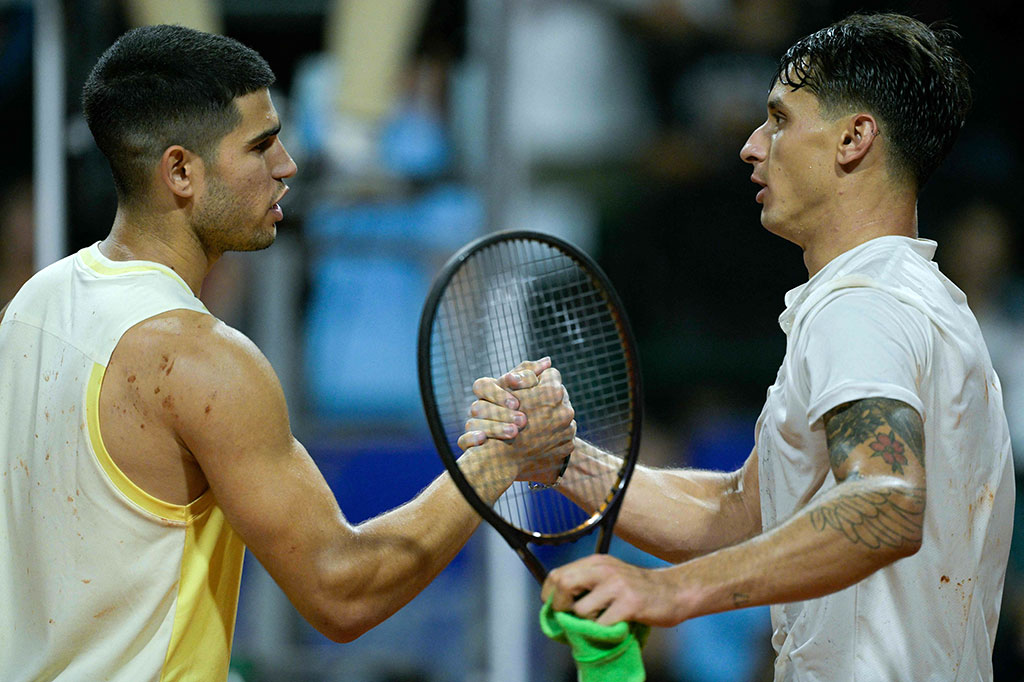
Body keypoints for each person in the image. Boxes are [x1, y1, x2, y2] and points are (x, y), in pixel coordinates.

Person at [0, 25, 575, 682]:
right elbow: (343, 592)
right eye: (261, 145)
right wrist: (496, 460)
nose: (287, 166)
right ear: (181, 171)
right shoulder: (203, 361)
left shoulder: (30, 306)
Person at [466, 12, 1014, 680]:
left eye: (780, 120)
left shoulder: (864, 307)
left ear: (853, 138)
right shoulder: (913, 299)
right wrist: (561, 460)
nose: (752, 146)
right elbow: (739, 514)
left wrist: (669, 590)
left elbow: (887, 501)